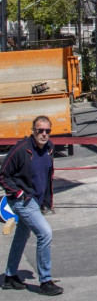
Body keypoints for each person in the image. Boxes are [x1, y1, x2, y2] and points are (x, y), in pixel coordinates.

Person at [0, 116, 63, 296]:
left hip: (36, 200)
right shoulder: (21, 150)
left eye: (47, 131)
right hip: (23, 200)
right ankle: (45, 281)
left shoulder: (49, 148)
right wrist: (18, 193)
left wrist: (46, 201)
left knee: (21, 235)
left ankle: (10, 277)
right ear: (33, 131)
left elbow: (46, 176)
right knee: (45, 233)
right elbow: (3, 175)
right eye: (40, 130)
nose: (44, 134)